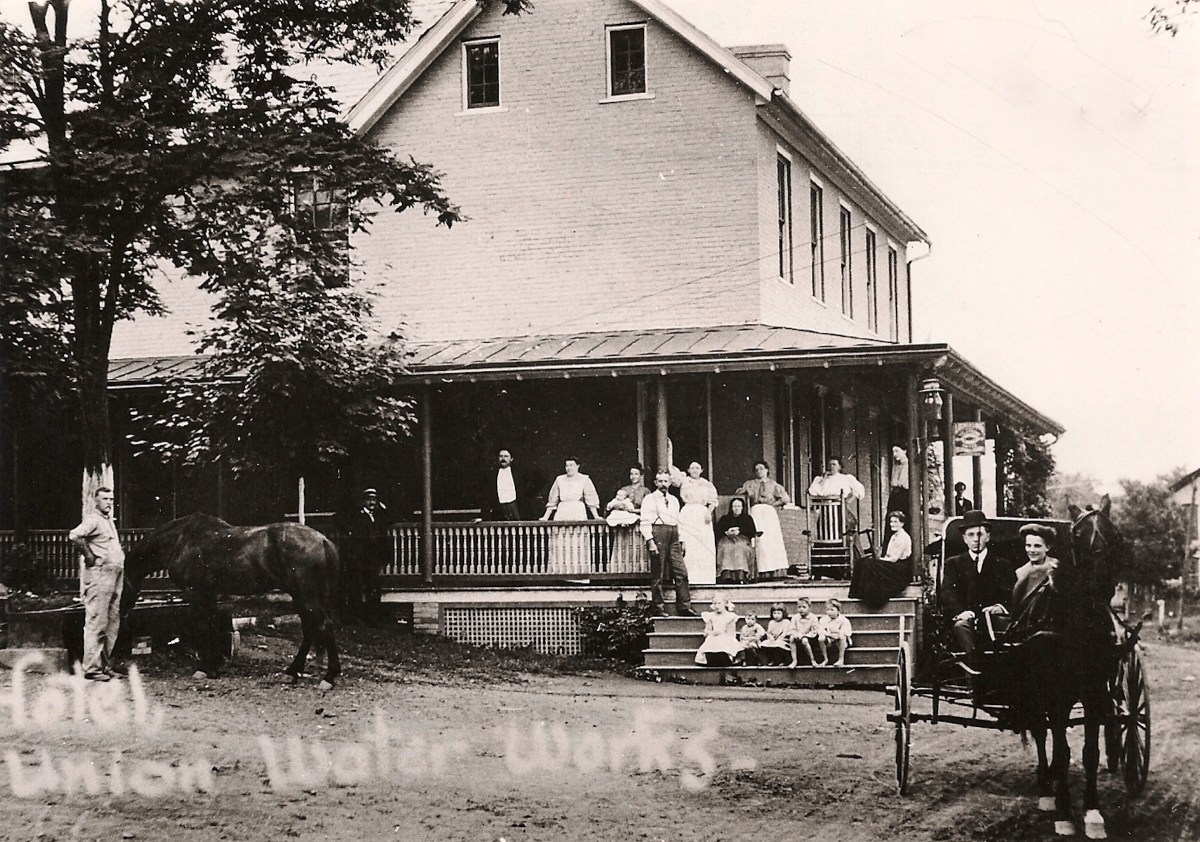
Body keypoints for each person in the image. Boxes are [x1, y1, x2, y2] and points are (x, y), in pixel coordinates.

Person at [941, 509, 1016, 671]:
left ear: (988, 537)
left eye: (980, 534)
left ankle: (1004, 676)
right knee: (961, 626)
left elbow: (1010, 594)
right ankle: (974, 679)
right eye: (971, 535)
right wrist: (961, 612)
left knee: (1007, 628)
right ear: (964, 539)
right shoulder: (953, 564)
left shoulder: (1002, 564)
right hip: (966, 618)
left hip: (993, 620)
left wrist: (999, 607)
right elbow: (948, 593)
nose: (976, 539)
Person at [69, 487, 126, 681]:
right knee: (97, 621)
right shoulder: (93, 520)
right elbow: (75, 535)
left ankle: (104, 665)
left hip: (114, 575)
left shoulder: (108, 521)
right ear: (96, 501)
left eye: (111, 498)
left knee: (112, 622)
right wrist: (89, 555)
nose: (109, 502)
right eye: (105, 499)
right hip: (100, 575)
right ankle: (92, 668)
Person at [640, 468, 695, 616]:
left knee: (681, 571)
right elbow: (645, 522)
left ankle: (684, 606)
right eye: (660, 481)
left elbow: (678, 521)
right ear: (655, 482)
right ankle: (658, 608)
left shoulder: (674, 500)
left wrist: (682, 539)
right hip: (658, 533)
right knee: (658, 573)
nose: (663, 484)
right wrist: (650, 541)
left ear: (670, 482)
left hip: (674, 535)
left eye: (665, 481)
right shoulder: (649, 499)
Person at [541, 458, 601, 573]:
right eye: (567, 465)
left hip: (578, 511)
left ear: (578, 466)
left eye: (572, 465)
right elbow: (553, 500)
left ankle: (578, 574)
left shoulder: (585, 479)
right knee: (560, 543)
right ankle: (559, 574)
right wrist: (546, 516)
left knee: (577, 544)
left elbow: (590, 498)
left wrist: (596, 516)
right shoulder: (559, 479)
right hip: (562, 511)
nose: (569, 468)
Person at [736, 461, 791, 579]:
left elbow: (785, 498)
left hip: (769, 513)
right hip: (755, 511)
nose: (759, 471)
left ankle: (774, 571)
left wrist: (773, 504)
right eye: (756, 469)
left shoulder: (773, 484)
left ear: (767, 470)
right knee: (758, 541)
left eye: (761, 469)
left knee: (770, 541)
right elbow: (739, 493)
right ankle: (758, 570)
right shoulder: (750, 484)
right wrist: (746, 492)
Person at [340, 487, 387, 621]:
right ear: (363, 501)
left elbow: (392, 517)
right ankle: (355, 617)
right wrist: (349, 531)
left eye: (374, 500)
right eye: (369, 500)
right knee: (356, 587)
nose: (372, 503)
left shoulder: (378, 515)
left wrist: (382, 507)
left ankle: (372, 618)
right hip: (359, 558)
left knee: (373, 587)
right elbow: (338, 519)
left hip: (373, 558)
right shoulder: (357, 515)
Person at [848, 511, 913, 605]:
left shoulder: (903, 537)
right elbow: (888, 555)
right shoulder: (894, 536)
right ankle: (857, 594)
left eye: (895, 522)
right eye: (891, 522)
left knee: (870, 564)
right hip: (891, 563)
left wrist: (879, 560)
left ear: (902, 523)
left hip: (899, 569)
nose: (892, 524)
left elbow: (893, 559)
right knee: (861, 562)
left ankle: (872, 598)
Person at [671, 461, 718, 585]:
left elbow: (713, 501)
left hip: (702, 514)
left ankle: (705, 578)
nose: (695, 470)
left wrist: (709, 512)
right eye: (692, 468)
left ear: (701, 470)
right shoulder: (684, 481)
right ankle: (689, 577)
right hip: (688, 513)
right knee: (688, 544)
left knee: (702, 544)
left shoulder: (706, 484)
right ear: (688, 470)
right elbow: (672, 473)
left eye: (697, 468)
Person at [1012, 523, 1060, 612]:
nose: (1032, 550)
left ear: (1047, 547)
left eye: (1037, 546)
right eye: (1028, 545)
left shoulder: (1057, 569)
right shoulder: (1021, 572)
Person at [714, 497, 758, 583]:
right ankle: (727, 576)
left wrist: (740, 531)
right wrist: (726, 532)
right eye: (734, 506)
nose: (736, 509)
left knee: (739, 547)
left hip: (742, 539)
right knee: (727, 548)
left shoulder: (747, 518)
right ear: (731, 508)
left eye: (738, 506)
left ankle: (741, 575)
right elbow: (717, 530)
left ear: (742, 507)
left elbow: (752, 531)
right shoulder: (725, 518)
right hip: (726, 539)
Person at [694, 597, 742, 667]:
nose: (717, 606)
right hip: (713, 636)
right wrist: (710, 633)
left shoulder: (730, 616)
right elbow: (708, 629)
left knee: (724, 643)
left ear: (725, 604)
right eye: (715, 603)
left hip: (726, 636)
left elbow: (732, 633)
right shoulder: (711, 616)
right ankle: (711, 657)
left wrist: (722, 633)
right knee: (710, 641)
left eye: (719, 603)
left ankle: (724, 657)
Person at [481, 448, 523, 521]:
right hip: (499, 508)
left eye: (506, 456)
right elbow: (487, 496)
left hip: (514, 506)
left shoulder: (518, 474)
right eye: (501, 456)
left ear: (511, 459)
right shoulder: (492, 475)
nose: (503, 458)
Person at [817, 598, 853, 667]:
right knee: (821, 638)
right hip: (829, 640)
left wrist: (838, 635)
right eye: (828, 610)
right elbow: (820, 630)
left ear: (838, 611)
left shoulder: (844, 620)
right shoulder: (823, 619)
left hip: (841, 641)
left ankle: (841, 659)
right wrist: (829, 635)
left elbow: (847, 632)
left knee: (843, 636)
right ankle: (825, 659)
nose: (829, 612)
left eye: (832, 610)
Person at [788, 597, 821, 667]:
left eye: (804, 607)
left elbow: (814, 631)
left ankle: (812, 660)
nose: (801, 609)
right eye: (799, 607)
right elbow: (792, 629)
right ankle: (794, 660)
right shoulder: (795, 617)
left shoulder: (813, 617)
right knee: (791, 638)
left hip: (810, 639)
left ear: (809, 608)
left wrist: (804, 635)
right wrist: (796, 634)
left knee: (804, 640)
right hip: (798, 637)